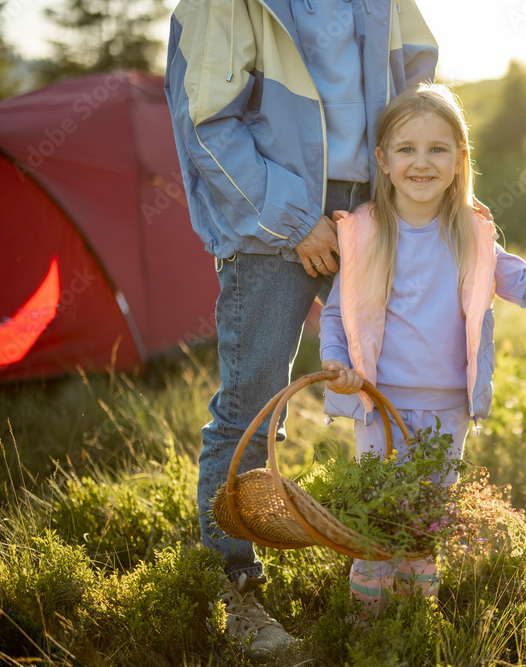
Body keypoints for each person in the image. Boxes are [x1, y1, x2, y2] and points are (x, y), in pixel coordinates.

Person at [164, 0, 437, 655]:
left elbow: (417, 71)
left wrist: (403, 186)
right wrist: (293, 218)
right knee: (250, 408)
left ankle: (387, 568)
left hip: (375, 209)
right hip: (270, 214)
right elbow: (206, 124)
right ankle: (235, 590)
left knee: (396, 393)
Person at [319, 84, 526, 619]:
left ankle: (414, 623)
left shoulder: (473, 232)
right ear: (383, 161)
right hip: (378, 401)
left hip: (448, 408)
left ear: (461, 158)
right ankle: (367, 625)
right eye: (407, 149)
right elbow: (335, 313)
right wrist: (337, 365)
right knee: (380, 518)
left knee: (424, 525)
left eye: (438, 148)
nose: (422, 162)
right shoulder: (367, 231)